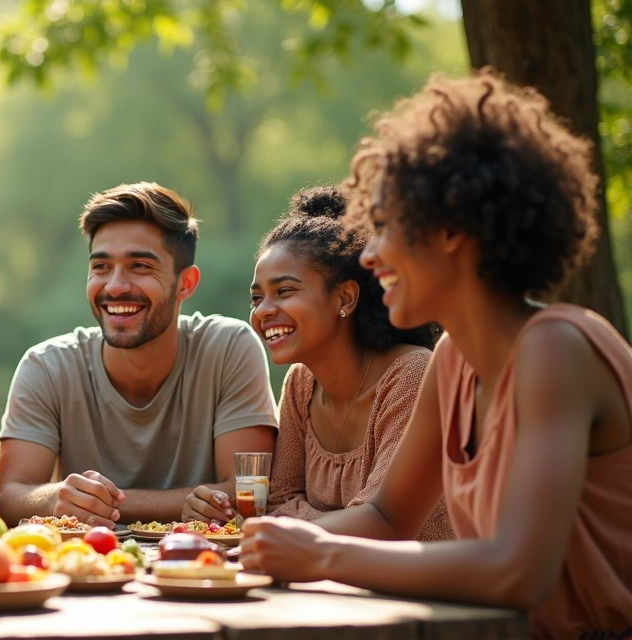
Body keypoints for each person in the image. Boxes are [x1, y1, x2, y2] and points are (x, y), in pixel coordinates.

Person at [239, 71, 632, 638]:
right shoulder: (454, 359)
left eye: (381, 229)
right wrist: (267, 545)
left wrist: (321, 557)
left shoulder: (556, 349)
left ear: (449, 227)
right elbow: (387, 516)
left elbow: (518, 572)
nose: (367, 257)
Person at [0, 182, 279, 527]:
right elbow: (7, 498)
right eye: (100, 267)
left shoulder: (229, 349)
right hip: (84, 569)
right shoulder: (47, 366)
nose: (114, 286)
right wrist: (55, 497)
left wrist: (103, 506)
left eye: (140, 266)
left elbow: (245, 493)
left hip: (202, 571)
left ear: (185, 283)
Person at [184, 186, 452, 539]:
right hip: (329, 584)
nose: (263, 311)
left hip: (418, 589)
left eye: (284, 291)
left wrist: (289, 522)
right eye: (256, 297)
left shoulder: (412, 375)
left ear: (345, 297)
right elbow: (277, 499)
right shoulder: (301, 384)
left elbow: (380, 523)